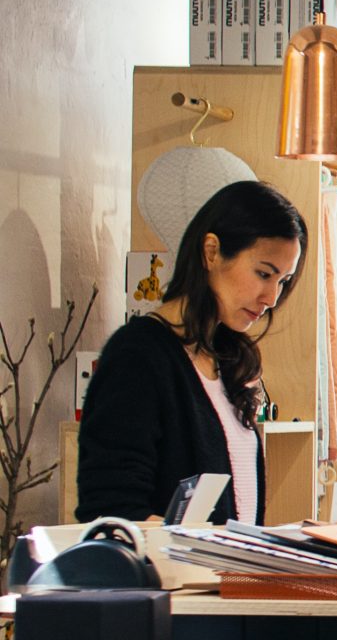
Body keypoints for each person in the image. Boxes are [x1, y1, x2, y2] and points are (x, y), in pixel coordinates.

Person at [78, 180, 307, 526]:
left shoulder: (228, 362)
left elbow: (239, 527)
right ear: (211, 252)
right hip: (170, 580)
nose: (272, 298)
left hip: (225, 579)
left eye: (283, 281)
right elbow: (110, 513)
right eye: (264, 274)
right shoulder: (137, 356)